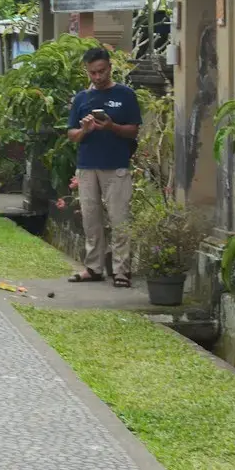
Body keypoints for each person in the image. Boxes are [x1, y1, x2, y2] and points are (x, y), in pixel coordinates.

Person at [65, 46, 142, 288]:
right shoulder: (81, 98)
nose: (97, 77)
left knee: (120, 219)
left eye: (101, 71)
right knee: (91, 220)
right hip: (87, 167)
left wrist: (112, 127)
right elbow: (72, 135)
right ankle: (93, 267)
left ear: (110, 67)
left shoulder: (125, 95)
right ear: (87, 72)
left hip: (117, 166)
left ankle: (121, 271)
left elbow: (133, 131)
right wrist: (85, 130)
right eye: (92, 73)